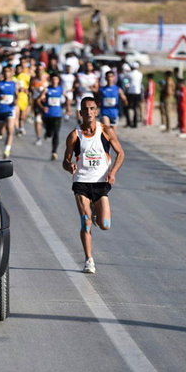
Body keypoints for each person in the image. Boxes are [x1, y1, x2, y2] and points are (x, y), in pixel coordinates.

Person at [63, 97, 124, 274]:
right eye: (85, 109)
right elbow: (65, 161)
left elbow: (120, 154)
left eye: (92, 109)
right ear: (80, 113)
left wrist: (112, 172)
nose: (88, 112)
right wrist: (69, 166)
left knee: (105, 224)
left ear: (96, 111)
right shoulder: (74, 135)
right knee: (85, 222)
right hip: (81, 181)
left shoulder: (106, 131)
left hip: (100, 182)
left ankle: (96, 210)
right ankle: (89, 259)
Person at [39, 73, 71, 160]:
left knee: (56, 133)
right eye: (53, 80)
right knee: (50, 132)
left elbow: (67, 98)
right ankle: (47, 133)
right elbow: (38, 100)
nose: (54, 81)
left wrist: (67, 108)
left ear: (58, 81)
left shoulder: (60, 89)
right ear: (50, 81)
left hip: (57, 114)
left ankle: (54, 152)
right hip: (47, 115)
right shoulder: (46, 89)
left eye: (56, 80)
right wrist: (43, 107)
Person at [0, 65, 18, 159]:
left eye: (9, 71)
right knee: (0, 132)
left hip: (10, 110)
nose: (7, 73)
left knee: (10, 130)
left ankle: (7, 150)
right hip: (0, 110)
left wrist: (16, 101)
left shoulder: (14, 84)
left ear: (11, 73)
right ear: (3, 73)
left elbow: (17, 96)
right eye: (5, 72)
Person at [30, 64, 48, 145]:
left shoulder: (47, 78)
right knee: (37, 120)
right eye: (38, 69)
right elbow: (30, 89)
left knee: (46, 120)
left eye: (41, 69)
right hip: (36, 102)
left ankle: (47, 130)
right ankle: (38, 138)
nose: (39, 71)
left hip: (46, 102)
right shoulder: (33, 79)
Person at [15, 63, 31, 136]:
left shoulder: (25, 76)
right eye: (17, 69)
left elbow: (30, 86)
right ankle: (17, 128)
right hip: (16, 98)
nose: (18, 70)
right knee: (17, 114)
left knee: (23, 115)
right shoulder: (14, 77)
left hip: (24, 97)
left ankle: (21, 126)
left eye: (19, 69)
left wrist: (26, 89)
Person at [126, 63, 143, 128]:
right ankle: (135, 123)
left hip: (130, 92)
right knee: (136, 108)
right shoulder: (140, 74)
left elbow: (126, 82)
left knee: (129, 108)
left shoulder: (129, 74)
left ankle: (130, 122)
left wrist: (126, 88)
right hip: (138, 92)